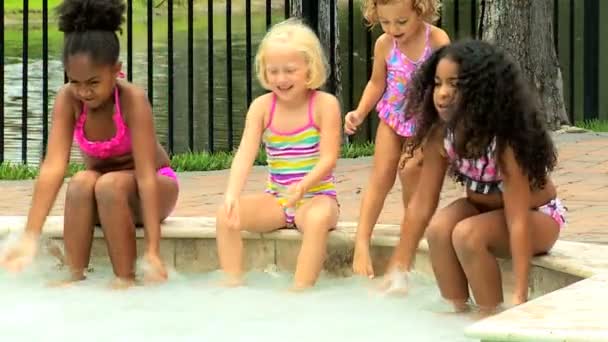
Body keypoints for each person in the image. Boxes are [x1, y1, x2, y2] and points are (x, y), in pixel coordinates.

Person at [0, 0, 178, 288]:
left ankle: (125, 278)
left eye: (93, 83)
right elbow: (53, 167)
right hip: (105, 196)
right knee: (80, 181)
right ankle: (74, 275)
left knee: (109, 185)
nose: (84, 91)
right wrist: (30, 236)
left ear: (116, 70)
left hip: (155, 188)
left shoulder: (132, 100)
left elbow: (145, 176)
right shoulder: (68, 100)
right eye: (75, 81)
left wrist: (153, 251)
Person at [382, 40, 565, 315]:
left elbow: (517, 220)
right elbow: (422, 203)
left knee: (467, 235)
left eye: (455, 84)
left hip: (536, 216)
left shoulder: (504, 142)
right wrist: (400, 266)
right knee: (439, 229)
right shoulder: (441, 135)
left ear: (482, 91)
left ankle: (490, 314)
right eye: (438, 83)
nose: (442, 94)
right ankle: (456, 310)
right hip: (484, 208)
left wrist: (520, 292)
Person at [215, 18, 342, 290]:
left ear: (310, 68)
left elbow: (329, 158)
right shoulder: (262, 107)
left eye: (289, 70)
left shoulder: (324, 105)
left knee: (318, 220)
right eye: (273, 71)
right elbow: (245, 153)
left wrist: (303, 186)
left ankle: (299, 290)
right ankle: (232, 283)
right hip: (278, 199)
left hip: (317, 198)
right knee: (225, 215)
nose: (281, 79)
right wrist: (232, 195)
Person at [346, 0, 450, 278]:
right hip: (393, 119)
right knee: (380, 178)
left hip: (426, 124)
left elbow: (449, 83)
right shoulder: (384, 44)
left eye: (401, 22)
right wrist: (359, 111)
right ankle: (361, 243)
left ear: (420, 9)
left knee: (411, 173)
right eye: (385, 22)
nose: (393, 29)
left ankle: (411, 238)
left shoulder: (437, 40)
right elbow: (376, 82)